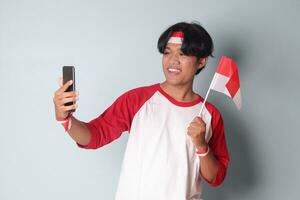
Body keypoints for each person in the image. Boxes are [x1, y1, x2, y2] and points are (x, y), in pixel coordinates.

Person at [53, 21, 230, 200]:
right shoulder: (136, 100)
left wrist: (201, 146)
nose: (172, 60)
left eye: (183, 53)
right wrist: (65, 118)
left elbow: (216, 177)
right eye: (167, 52)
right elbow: (94, 135)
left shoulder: (210, 115)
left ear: (201, 61)